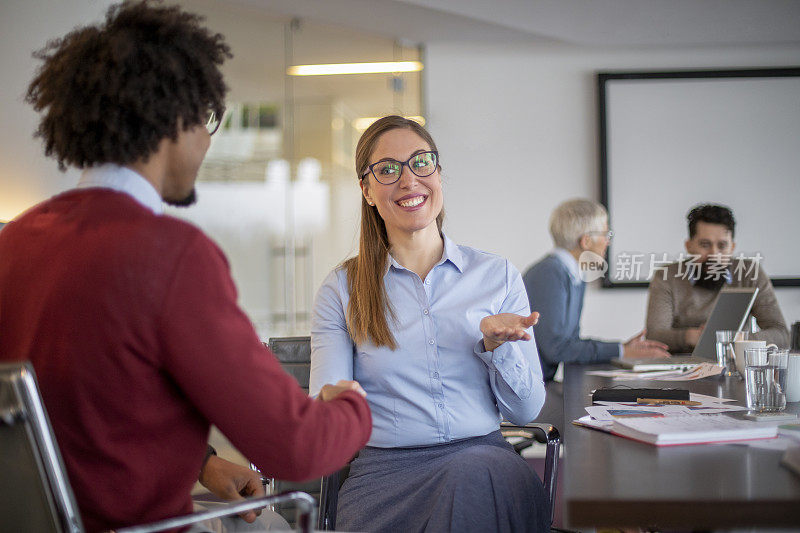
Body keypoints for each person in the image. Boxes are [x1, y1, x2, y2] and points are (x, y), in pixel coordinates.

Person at [0, 3, 371, 532]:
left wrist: (200, 463)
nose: (208, 140)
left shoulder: (14, 241)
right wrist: (352, 402)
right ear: (176, 118)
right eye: (209, 120)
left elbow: (80, 408)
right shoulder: (168, 254)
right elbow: (298, 448)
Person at [310, 115, 549, 533]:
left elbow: (528, 410)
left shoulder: (497, 276)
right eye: (387, 170)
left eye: (421, 162)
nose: (408, 180)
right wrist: (329, 403)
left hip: (485, 461)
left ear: (438, 173)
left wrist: (499, 348)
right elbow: (325, 413)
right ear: (366, 191)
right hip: (384, 478)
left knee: (471, 477)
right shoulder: (342, 289)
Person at [523, 199, 670, 383]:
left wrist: (623, 347)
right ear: (586, 241)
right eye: (605, 234)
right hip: (533, 388)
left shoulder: (573, 275)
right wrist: (623, 352)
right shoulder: (549, 273)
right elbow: (556, 349)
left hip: (544, 383)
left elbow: (571, 343)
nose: (608, 242)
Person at [646, 204, 790, 352]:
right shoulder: (667, 276)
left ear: (732, 247)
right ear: (689, 246)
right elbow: (654, 336)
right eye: (705, 245)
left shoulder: (750, 273)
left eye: (722, 246)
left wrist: (739, 340)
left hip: (735, 365)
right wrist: (692, 337)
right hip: (681, 367)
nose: (714, 254)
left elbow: (782, 334)